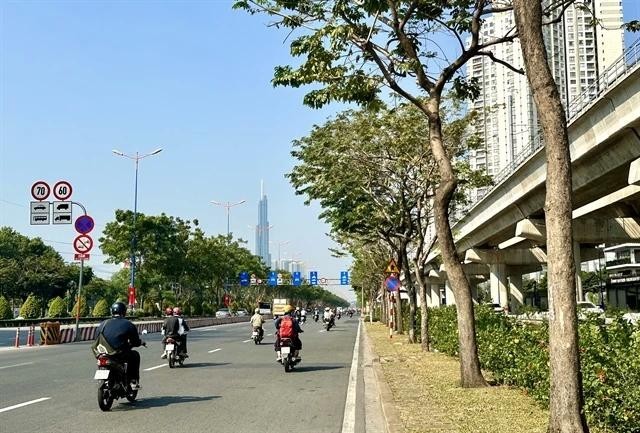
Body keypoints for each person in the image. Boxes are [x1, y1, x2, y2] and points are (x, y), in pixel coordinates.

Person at [95, 301, 144, 389]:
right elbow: (135, 341)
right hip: (118, 354)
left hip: (102, 352)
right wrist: (139, 343)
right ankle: (133, 381)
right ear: (124, 312)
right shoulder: (128, 324)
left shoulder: (103, 323)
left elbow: (96, 338)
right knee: (134, 355)